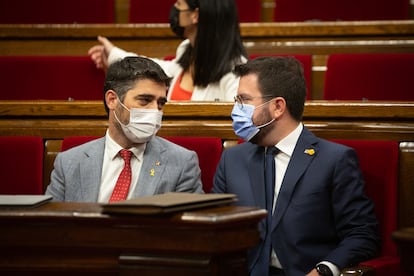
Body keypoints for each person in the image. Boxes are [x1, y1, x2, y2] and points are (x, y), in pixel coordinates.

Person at [212, 56, 379, 276]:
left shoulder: (334, 160)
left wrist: (325, 269)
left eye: (243, 100)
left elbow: (362, 234)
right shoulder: (232, 159)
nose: (236, 110)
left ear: (278, 107)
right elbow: (214, 230)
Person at [46, 56, 203, 202]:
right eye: (144, 100)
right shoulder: (69, 163)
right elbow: (49, 224)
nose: (155, 111)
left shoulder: (182, 163)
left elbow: (187, 230)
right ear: (112, 100)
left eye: (161, 103)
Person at [88, 0, 247, 102]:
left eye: (179, 4)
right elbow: (155, 68)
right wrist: (113, 53)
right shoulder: (187, 50)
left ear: (195, 16)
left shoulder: (235, 71)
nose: (174, 9)